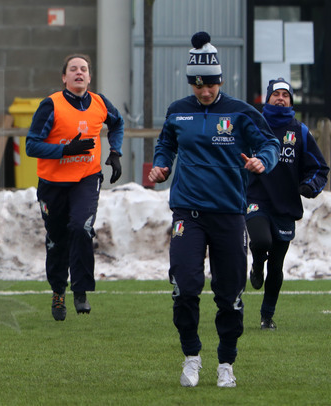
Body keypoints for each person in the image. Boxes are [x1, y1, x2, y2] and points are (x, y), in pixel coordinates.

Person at [148, 32, 280, 388]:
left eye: (210, 85)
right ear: (191, 82)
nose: (204, 91)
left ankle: (226, 363)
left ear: (221, 81)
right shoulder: (178, 111)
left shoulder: (240, 112)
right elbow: (166, 145)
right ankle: (191, 356)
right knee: (185, 286)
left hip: (228, 214)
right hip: (187, 213)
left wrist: (262, 162)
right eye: (198, 85)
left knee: (229, 292)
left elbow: (270, 142)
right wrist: (162, 165)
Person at [25, 54, 124, 321]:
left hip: (86, 179)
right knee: (57, 239)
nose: (79, 72)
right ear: (64, 77)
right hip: (53, 184)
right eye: (73, 69)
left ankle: (80, 289)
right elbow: (31, 145)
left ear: (89, 77)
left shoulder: (100, 103)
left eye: (84, 69)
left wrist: (116, 152)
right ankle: (58, 290)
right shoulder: (51, 105)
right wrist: (65, 150)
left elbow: (117, 123)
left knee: (81, 227)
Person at [246, 78, 328, 330]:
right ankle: (256, 264)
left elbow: (319, 168)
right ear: (267, 99)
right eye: (276, 94)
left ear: (291, 101)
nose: (280, 98)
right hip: (256, 198)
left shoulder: (300, 131)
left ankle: (267, 316)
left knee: (278, 265)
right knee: (261, 242)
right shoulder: (253, 126)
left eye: (286, 95)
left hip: (285, 205)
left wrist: (309, 186)